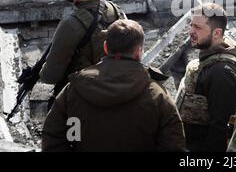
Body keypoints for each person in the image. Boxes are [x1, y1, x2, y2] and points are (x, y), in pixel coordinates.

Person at [41, 19, 185, 152]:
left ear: (105, 47)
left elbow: (52, 135)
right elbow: (173, 142)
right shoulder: (157, 94)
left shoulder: (74, 88)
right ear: (139, 52)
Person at [40, 0, 126, 101]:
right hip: (117, 90)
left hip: (85, 98)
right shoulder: (116, 11)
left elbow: (50, 76)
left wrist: (41, 72)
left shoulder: (71, 24)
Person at [175, 3, 236, 152]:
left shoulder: (221, 73)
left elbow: (220, 128)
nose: (191, 31)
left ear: (217, 33)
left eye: (198, 27)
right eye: (191, 25)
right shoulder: (210, 58)